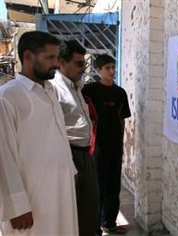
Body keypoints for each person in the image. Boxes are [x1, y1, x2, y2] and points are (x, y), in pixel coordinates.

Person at [0, 31, 78, 235]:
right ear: (28, 57)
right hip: (32, 201)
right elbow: (3, 156)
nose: (56, 63)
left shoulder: (49, 90)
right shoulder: (8, 97)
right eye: (50, 57)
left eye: (57, 57)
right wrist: (16, 207)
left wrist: (71, 169)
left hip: (60, 190)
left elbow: (58, 135)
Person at [50, 40, 99, 236]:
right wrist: (69, 165)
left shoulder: (77, 85)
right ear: (62, 62)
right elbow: (54, 132)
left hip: (85, 154)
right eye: (79, 64)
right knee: (73, 213)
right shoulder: (53, 88)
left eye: (84, 64)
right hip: (69, 155)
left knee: (89, 208)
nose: (83, 68)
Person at [82, 54, 131, 235]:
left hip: (115, 147)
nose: (111, 71)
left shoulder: (120, 93)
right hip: (96, 148)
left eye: (113, 67)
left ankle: (109, 223)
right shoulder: (89, 91)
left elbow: (122, 120)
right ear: (97, 70)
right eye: (107, 68)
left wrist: (122, 143)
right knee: (98, 189)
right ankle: (94, 228)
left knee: (113, 187)